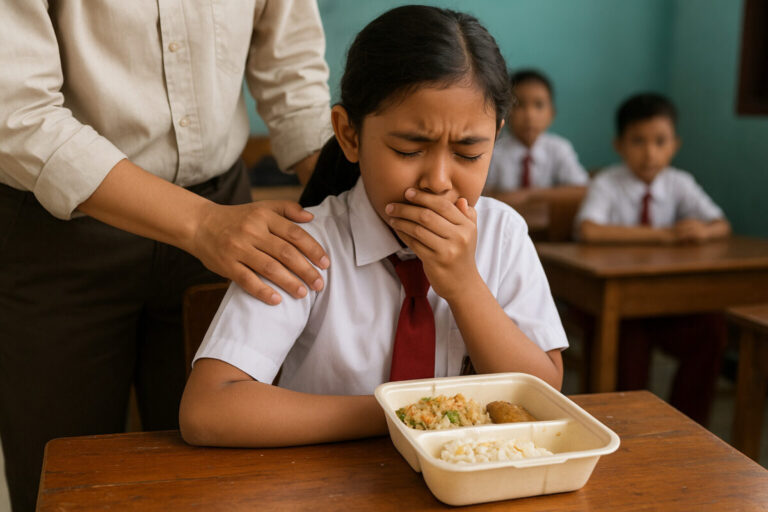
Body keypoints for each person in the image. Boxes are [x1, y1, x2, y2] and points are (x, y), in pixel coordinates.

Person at [179, 5, 568, 448]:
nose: (438, 181)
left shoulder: (503, 235)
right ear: (349, 135)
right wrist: (401, 414)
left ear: (495, 137)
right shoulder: (305, 245)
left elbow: (543, 393)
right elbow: (208, 409)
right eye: (409, 149)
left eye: (468, 153)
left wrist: (464, 286)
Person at [0, 1, 333, 510]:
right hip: (60, 233)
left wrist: (358, 198)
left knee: (220, 482)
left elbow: (292, 74)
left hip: (227, 219)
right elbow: (17, 114)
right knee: (67, 480)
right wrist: (201, 223)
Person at [574, 92, 730, 424]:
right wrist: (663, 235)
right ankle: (625, 426)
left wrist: (704, 232)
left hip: (667, 302)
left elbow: (721, 223)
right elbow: (589, 230)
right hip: (619, 305)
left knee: (711, 329)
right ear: (619, 145)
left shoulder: (679, 182)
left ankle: (687, 424)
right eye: (638, 141)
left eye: (660, 141)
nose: (650, 153)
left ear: (675, 144)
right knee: (628, 342)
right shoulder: (607, 183)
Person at [484, 69, 588, 208]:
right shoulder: (493, 150)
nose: (529, 115)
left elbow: (583, 190)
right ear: (504, 112)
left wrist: (530, 195)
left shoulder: (559, 148)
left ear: (552, 114)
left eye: (538, 105)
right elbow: (483, 195)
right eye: (518, 104)